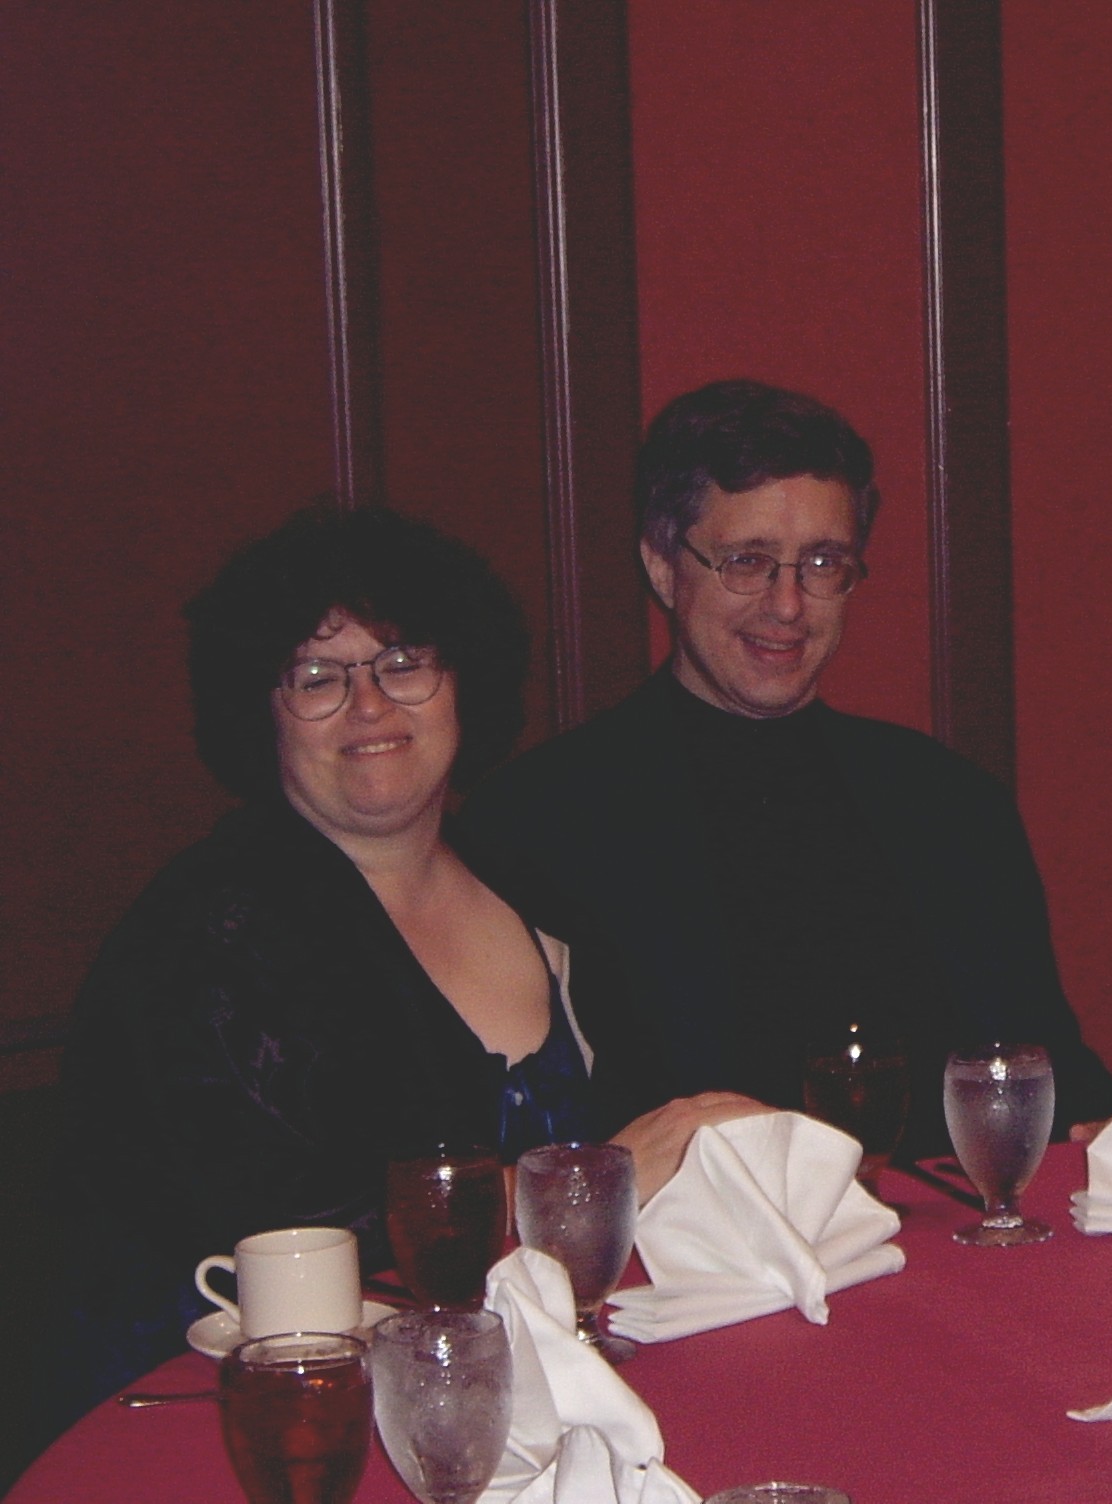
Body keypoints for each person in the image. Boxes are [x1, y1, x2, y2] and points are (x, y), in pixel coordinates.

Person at [47, 505, 757, 1420]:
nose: (370, 706)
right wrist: (584, 1185)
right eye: (316, 677)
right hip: (286, 1423)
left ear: (463, 682)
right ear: (264, 714)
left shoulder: (536, 890)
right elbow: (271, 1253)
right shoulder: (201, 945)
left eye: (403, 663)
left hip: (562, 1395)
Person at [462, 380, 1112, 1155]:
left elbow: (1048, 1074)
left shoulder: (947, 802)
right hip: (693, 1264)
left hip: (947, 1254)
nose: (787, 605)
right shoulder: (542, 821)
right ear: (661, 566)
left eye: (821, 562)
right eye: (747, 562)